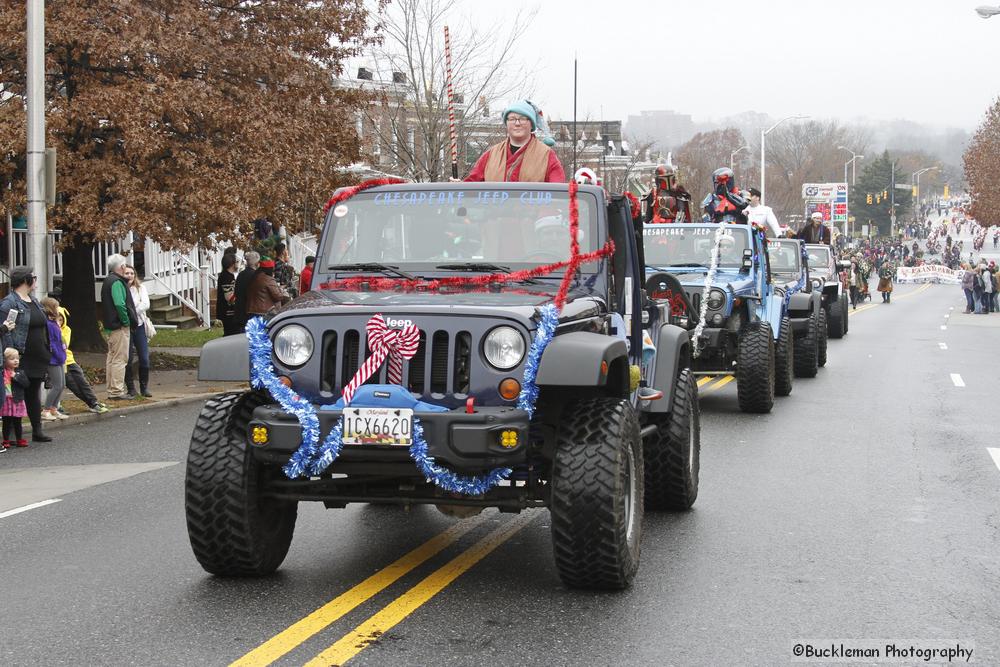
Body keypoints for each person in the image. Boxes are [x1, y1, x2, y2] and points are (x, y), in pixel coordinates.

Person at [0, 267, 53, 441]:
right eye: (33, 277)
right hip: (21, 355)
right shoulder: (10, 303)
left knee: (34, 392)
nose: (36, 281)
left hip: (38, 354)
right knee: (16, 393)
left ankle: (37, 430)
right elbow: (5, 329)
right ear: (25, 280)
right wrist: (9, 355)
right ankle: (13, 432)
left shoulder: (34, 300)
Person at [464, 101, 565, 183]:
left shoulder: (546, 155)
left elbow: (557, 193)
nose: (517, 123)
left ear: (531, 124)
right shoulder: (491, 155)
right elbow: (471, 186)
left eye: (522, 119)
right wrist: (458, 187)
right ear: (506, 123)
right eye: (512, 119)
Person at [102, 254, 138, 401]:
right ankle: (116, 391)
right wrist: (126, 322)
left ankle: (111, 389)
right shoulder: (117, 282)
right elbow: (119, 304)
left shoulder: (107, 281)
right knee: (120, 359)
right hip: (118, 326)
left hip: (110, 325)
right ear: (121, 267)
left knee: (111, 358)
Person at [59, 305, 107, 414]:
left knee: (82, 381)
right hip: (60, 362)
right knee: (72, 385)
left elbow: (64, 344)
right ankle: (91, 403)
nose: (59, 322)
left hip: (69, 360)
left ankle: (94, 401)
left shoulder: (66, 330)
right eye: (57, 319)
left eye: (61, 320)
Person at [123, 265, 153, 397]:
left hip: (139, 325)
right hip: (126, 327)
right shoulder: (121, 289)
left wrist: (132, 312)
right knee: (127, 358)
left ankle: (144, 387)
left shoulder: (141, 288)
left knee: (144, 358)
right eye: (126, 273)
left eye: (131, 273)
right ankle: (130, 388)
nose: (129, 276)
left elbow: (145, 304)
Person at [40, 297, 68, 421]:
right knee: (57, 385)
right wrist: (58, 354)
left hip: (59, 357)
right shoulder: (49, 324)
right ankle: (46, 410)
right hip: (53, 359)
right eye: (55, 307)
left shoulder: (54, 323)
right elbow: (52, 342)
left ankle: (54, 408)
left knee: (62, 385)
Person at [0, 348, 29, 450]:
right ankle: (6, 440)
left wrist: (16, 377)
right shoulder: (2, 373)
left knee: (18, 421)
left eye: (17, 358)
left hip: (17, 400)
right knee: (6, 421)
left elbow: (26, 384)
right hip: (6, 401)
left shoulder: (20, 372)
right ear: (5, 360)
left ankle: (19, 439)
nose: (16, 360)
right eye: (12, 359)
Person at [233, 251, 260, 331]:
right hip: (250, 312)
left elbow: (236, 291)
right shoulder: (256, 276)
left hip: (240, 310)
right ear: (257, 263)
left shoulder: (240, 275)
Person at [217, 254, 240, 335]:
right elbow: (229, 297)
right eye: (236, 262)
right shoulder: (227, 277)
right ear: (232, 264)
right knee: (231, 334)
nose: (238, 264)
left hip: (228, 311)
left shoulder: (227, 275)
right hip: (228, 312)